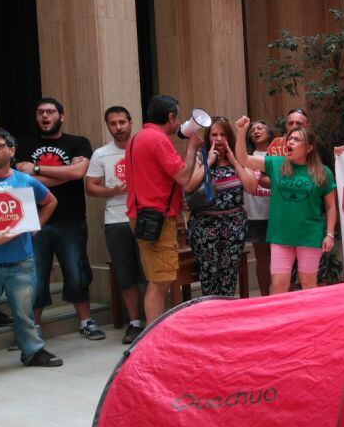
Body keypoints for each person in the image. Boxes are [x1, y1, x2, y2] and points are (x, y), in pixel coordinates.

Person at [15, 98, 102, 340]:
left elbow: (78, 173)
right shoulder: (24, 145)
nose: (45, 116)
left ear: (61, 116)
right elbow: (24, 178)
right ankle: (32, 330)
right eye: (41, 112)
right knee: (36, 276)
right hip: (36, 221)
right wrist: (66, 174)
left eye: (51, 112)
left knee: (77, 271)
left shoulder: (78, 143)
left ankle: (86, 321)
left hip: (71, 219)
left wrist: (38, 169)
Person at [235, 116, 336, 294]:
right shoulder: (276, 163)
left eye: (296, 139)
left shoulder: (323, 172)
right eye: (289, 138)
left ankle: (309, 322)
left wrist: (329, 234)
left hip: (309, 235)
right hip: (281, 235)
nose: (290, 142)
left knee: (308, 285)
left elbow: (330, 207)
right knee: (280, 286)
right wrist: (241, 132)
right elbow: (242, 159)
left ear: (309, 147)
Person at [125, 95, 203, 322]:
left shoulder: (138, 137)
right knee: (161, 280)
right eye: (177, 118)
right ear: (170, 117)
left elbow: (157, 178)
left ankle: (153, 331)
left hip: (145, 214)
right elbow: (182, 176)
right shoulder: (158, 139)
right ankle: (153, 333)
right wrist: (191, 147)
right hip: (157, 218)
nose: (179, 123)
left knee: (159, 277)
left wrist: (177, 200)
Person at [0, 127, 62, 366]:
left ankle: (33, 352)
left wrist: (37, 225)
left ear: (11, 151)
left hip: (21, 260)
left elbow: (51, 201)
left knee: (24, 314)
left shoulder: (24, 180)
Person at [85, 106, 145, 344]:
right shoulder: (101, 154)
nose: (118, 127)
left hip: (145, 218)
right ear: (108, 126)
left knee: (150, 273)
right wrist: (112, 190)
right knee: (125, 273)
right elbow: (90, 187)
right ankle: (134, 323)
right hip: (116, 221)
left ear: (131, 122)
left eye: (122, 122)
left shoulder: (143, 147)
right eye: (113, 123)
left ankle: (155, 321)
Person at [185, 117, 257, 296]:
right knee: (208, 274)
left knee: (229, 274)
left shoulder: (239, 157)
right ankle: (211, 315)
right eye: (214, 134)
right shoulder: (200, 157)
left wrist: (234, 161)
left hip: (233, 226)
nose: (218, 139)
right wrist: (209, 162)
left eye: (223, 134)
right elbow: (189, 185)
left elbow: (252, 187)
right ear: (208, 137)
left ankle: (226, 314)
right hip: (204, 226)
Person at [238, 120, 273, 296]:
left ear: (269, 131)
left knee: (279, 258)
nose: (255, 131)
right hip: (255, 215)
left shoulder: (276, 153)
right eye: (252, 130)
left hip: (276, 215)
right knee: (262, 259)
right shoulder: (247, 156)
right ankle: (264, 295)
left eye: (260, 128)